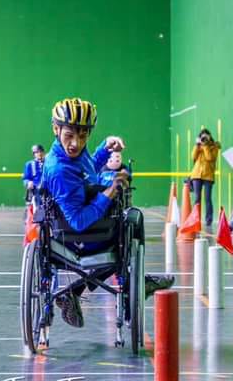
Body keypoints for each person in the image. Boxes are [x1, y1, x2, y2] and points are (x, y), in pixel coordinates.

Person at [41, 97, 174, 327]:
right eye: (69, 135)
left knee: (122, 231)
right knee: (132, 221)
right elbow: (78, 221)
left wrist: (104, 149)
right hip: (79, 240)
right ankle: (134, 285)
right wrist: (110, 192)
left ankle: (74, 292)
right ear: (56, 128)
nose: (76, 143)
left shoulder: (71, 154)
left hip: (80, 234)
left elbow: (88, 171)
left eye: (83, 135)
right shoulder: (59, 170)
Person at [189, 128, 221, 227]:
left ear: (210, 136)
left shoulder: (214, 146)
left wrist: (205, 146)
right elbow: (193, 157)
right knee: (197, 198)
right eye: (202, 136)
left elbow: (210, 158)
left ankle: (208, 220)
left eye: (206, 136)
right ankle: (195, 219)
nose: (204, 138)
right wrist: (197, 145)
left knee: (207, 198)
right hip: (196, 174)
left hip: (208, 175)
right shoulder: (198, 145)